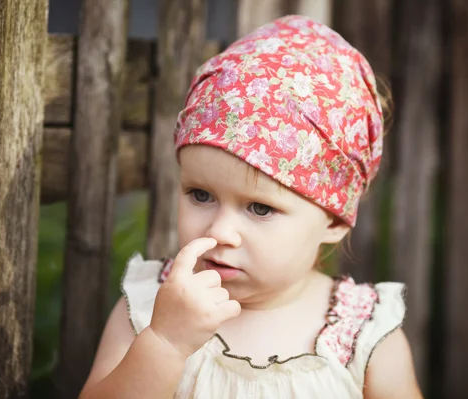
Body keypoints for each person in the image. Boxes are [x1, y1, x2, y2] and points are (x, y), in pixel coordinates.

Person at [79, 15, 422, 399]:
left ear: (334, 219)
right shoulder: (150, 309)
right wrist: (165, 344)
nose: (219, 231)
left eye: (259, 208)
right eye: (201, 195)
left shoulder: (365, 338)